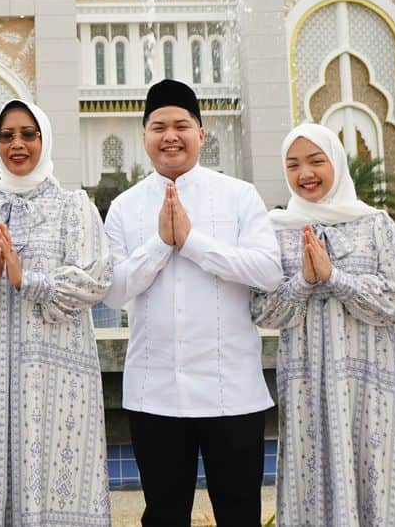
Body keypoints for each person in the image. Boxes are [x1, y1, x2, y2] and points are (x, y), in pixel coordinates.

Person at [102, 79, 283, 527]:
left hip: (231, 392)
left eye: (182, 125)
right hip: (154, 393)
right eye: (159, 126)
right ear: (144, 136)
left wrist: (193, 242)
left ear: (201, 134)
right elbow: (113, 291)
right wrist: (161, 245)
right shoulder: (124, 207)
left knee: (239, 513)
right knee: (163, 516)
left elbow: (268, 271)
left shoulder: (239, 195)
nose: (170, 135)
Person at [0, 99, 113, 527]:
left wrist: (27, 279)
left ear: (44, 139)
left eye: (28, 134)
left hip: (57, 383)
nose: (17, 144)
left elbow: (95, 279)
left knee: (52, 479)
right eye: (7, 135)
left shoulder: (74, 207)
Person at [252, 124, 395, 526]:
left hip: (372, 384)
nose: (305, 174)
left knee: (379, 477)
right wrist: (305, 283)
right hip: (307, 384)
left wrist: (337, 279)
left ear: (337, 163)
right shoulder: (277, 230)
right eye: (293, 165)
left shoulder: (374, 223)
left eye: (316, 161)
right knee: (313, 478)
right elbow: (263, 311)